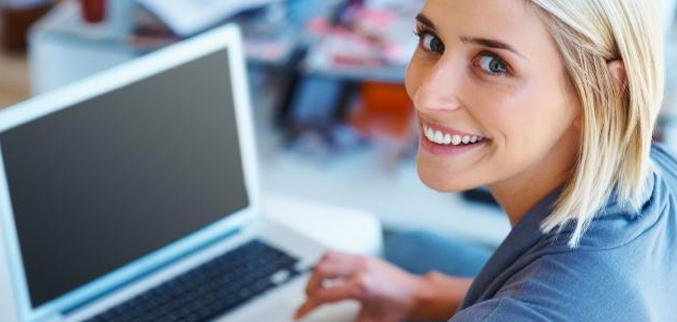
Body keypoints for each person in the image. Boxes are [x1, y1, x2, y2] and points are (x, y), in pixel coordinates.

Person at [294, 0, 677, 321]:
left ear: (604, 93)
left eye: (494, 64)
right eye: (433, 41)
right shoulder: (653, 171)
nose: (427, 96)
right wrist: (424, 295)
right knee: (411, 247)